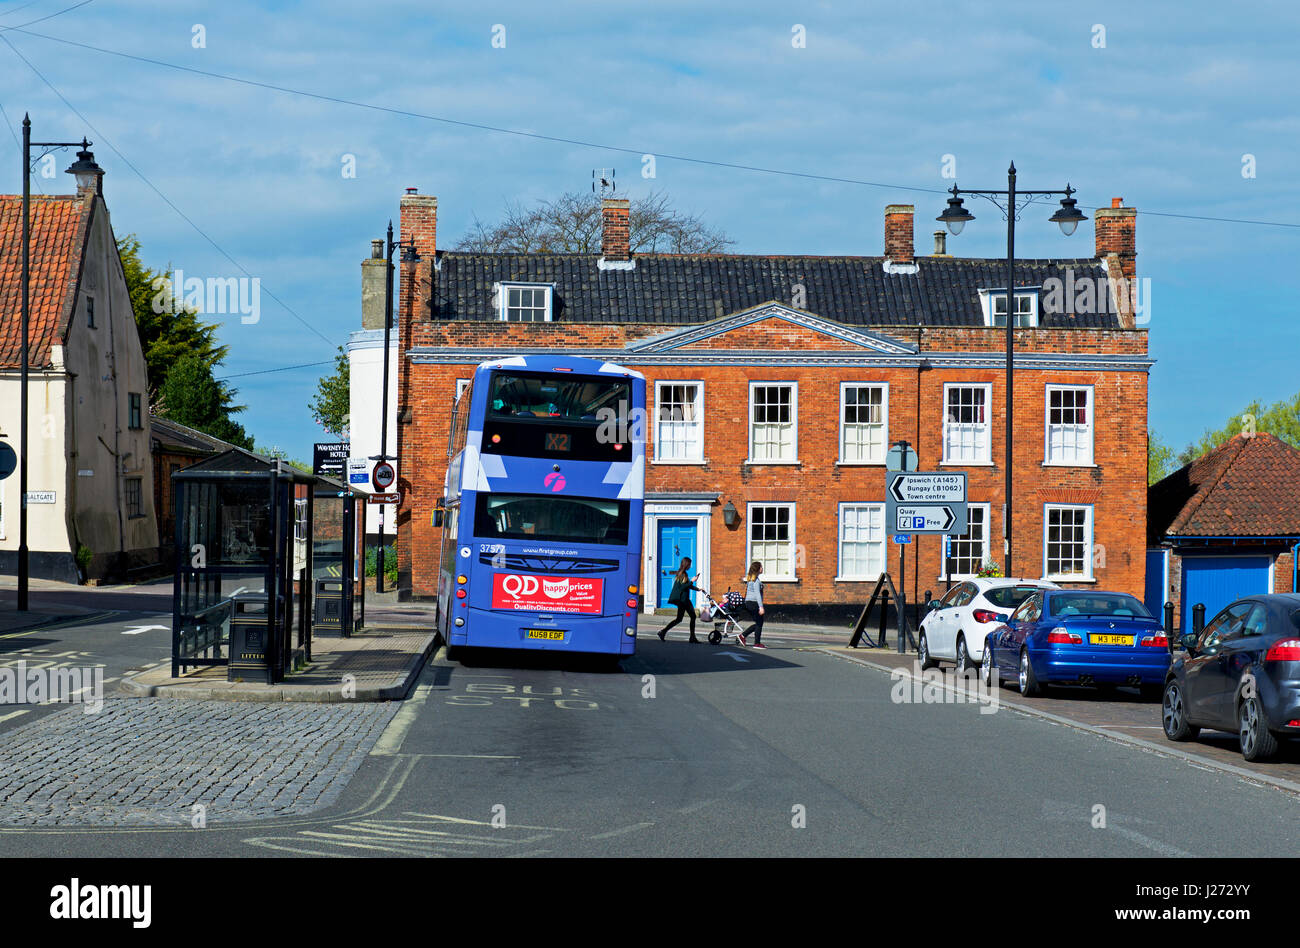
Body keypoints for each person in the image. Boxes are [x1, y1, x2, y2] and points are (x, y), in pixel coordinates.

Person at [659, 558, 702, 643]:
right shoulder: (682, 574)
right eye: (689, 564)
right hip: (683, 599)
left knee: (679, 619)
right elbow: (682, 587)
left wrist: (698, 589)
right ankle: (692, 637)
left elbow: (686, 585)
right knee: (692, 616)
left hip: (683, 599)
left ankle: (663, 632)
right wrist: (692, 581)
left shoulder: (682, 573)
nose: (690, 566)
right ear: (686, 564)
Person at [736, 561, 766, 649]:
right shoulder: (756, 581)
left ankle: (743, 636)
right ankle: (756, 643)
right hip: (754, 603)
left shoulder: (750, 580)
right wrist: (761, 607)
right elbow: (757, 594)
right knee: (759, 623)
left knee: (758, 623)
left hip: (748, 603)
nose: (762, 568)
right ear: (758, 569)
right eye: (761, 567)